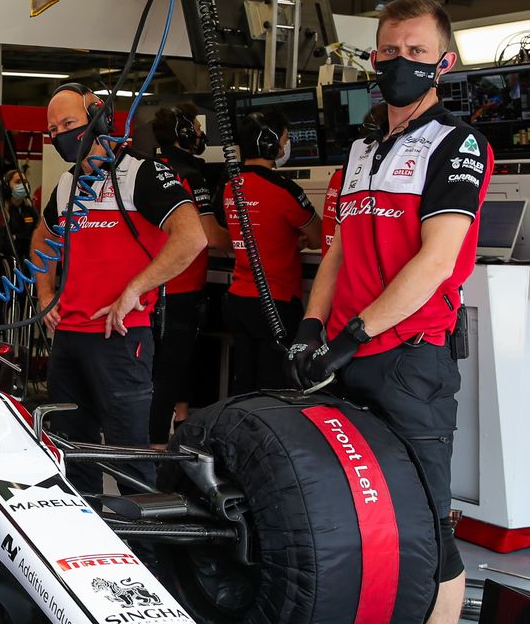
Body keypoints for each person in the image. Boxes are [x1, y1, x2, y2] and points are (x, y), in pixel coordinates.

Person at [289, 0, 492, 624]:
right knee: (351, 507)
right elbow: (338, 249)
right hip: (346, 356)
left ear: (444, 63)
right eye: (390, 51)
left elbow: (436, 261)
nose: (400, 62)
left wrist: (354, 336)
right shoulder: (360, 149)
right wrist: (312, 327)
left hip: (410, 358)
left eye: (416, 52)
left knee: (427, 521)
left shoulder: (457, 145)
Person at [34, 86, 207, 493]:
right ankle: (85, 530)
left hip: (121, 336)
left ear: (99, 117)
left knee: (129, 460)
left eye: (69, 123)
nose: (60, 135)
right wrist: (44, 293)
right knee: (71, 456)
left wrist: (135, 289)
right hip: (68, 337)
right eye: (53, 129)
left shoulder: (142, 173)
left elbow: (193, 237)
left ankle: (142, 535)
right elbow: (43, 237)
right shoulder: (68, 184)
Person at [144, 103, 227, 444]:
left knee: (162, 368)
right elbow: (211, 236)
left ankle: (178, 426)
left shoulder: (148, 169)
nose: (200, 134)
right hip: (181, 290)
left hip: (149, 286)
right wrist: (245, 238)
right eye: (196, 127)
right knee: (170, 370)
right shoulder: (191, 175)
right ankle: (157, 447)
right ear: (183, 133)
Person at [223, 112, 322, 394]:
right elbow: (318, 236)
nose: (285, 146)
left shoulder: (230, 186)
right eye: (285, 139)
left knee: (243, 383)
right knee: (274, 388)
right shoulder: (284, 190)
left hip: (238, 299)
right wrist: (295, 238)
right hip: (276, 302)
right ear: (270, 143)